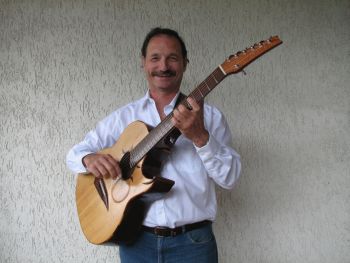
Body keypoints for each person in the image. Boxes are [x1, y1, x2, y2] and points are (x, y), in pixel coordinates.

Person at [66, 27, 241, 263]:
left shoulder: (210, 118)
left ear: (185, 63)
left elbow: (230, 179)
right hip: (136, 242)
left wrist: (200, 137)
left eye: (172, 58)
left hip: (193, 245)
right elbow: (75, 154)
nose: (163, 66)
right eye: (155, 58)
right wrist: (89, 159)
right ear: (143, 63)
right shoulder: (123, 117)